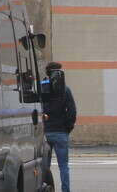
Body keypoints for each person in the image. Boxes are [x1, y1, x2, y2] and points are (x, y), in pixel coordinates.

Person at [39, 62, 75, 192]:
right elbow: (72, 111)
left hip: (46, 132)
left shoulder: (43, 88)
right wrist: (67, 128)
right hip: (61, 132)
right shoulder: (66, 90)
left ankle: (45, 188)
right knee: (64, 166)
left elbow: (39, 109)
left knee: (45, 166)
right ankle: (66, 190)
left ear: (48, 73)